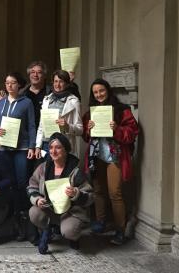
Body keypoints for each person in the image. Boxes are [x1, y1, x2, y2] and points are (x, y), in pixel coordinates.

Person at [82, 78, 139, 245]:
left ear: (108, 91)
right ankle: (101, 222)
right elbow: (86, 136)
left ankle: (120, 229)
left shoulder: (122, 110)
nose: (99, 94)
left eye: (102, 91)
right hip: (97, 155)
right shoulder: (90, 113)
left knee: (115, 192)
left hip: (115, 156)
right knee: (98, 190)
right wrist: (88, 128)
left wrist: (117, 129)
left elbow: (133, 132)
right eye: (95, 92)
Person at [27, 133, 93, 254]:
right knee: (34, 212)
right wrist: (37, 199)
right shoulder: (43, 168)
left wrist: (76, 194)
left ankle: (73, 237)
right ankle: (49, 229)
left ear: (66, 149)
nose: (53, 151)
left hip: (70, 212)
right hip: (49, 209)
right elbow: (32, 186)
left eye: (58, 147)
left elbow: (90, 197)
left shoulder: (76, 170)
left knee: (70, 232)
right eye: (51, 147)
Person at [0, 72, 36, 238]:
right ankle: (10, 218)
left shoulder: (26, 102)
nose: (9, 85)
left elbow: (32, 125)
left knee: (21, 183)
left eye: (13, 83)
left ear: (19, 85)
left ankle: (23, 217)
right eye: (7, 82)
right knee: (8, 182)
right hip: (4, 147)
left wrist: (32, 146)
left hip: (22, 148)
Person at [35, 70, 83, 158]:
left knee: (61, 171)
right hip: (46, 145)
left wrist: (68, 126)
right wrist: (38, 146)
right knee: (46, 171)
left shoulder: (74, 101)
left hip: (63, 145)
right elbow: (41, 126)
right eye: (56, 81)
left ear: (67, 84)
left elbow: (80, 129)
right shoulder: (46, 100)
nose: (58, 85)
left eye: (61, 82)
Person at [20, 61, 52, 130]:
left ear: (44, 75)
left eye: (39, 72)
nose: (35, 75)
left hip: (45, 133)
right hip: (26, 134)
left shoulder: (52, 93)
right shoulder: (21, 94)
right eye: (32, 72)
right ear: (29, 75)